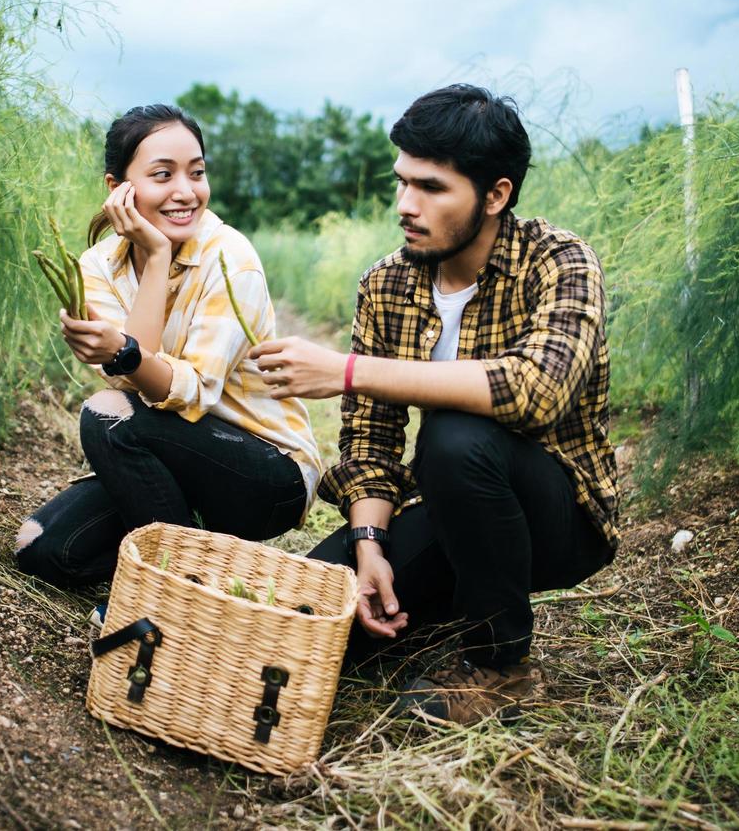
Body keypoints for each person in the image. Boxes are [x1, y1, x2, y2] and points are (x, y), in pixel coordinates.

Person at [251, 84, 617, 725]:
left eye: (431, 188)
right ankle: (448, 606)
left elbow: (539, 391)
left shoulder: (559, 261)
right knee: (306, 620)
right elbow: (371, 439)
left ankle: (500, 665)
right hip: (457, 509)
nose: (405, 205)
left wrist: (347, 370)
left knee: (454, 433)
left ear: (496, 194)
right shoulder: (386, 282)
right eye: (401, 183)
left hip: (558, 519)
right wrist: (368, 546)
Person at [15, 104, 322, 596]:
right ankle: (196, 542)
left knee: (107, 415)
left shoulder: (230, 258)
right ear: (118, 189)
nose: (186, 191)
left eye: (196, 173)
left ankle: (171, 588)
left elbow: (186, 392)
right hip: (174, 456)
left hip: (263, 469)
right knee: (42, 550)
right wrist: (147, 283)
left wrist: (156, 257)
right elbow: (130, 383)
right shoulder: (98, 267)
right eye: (163, 175)